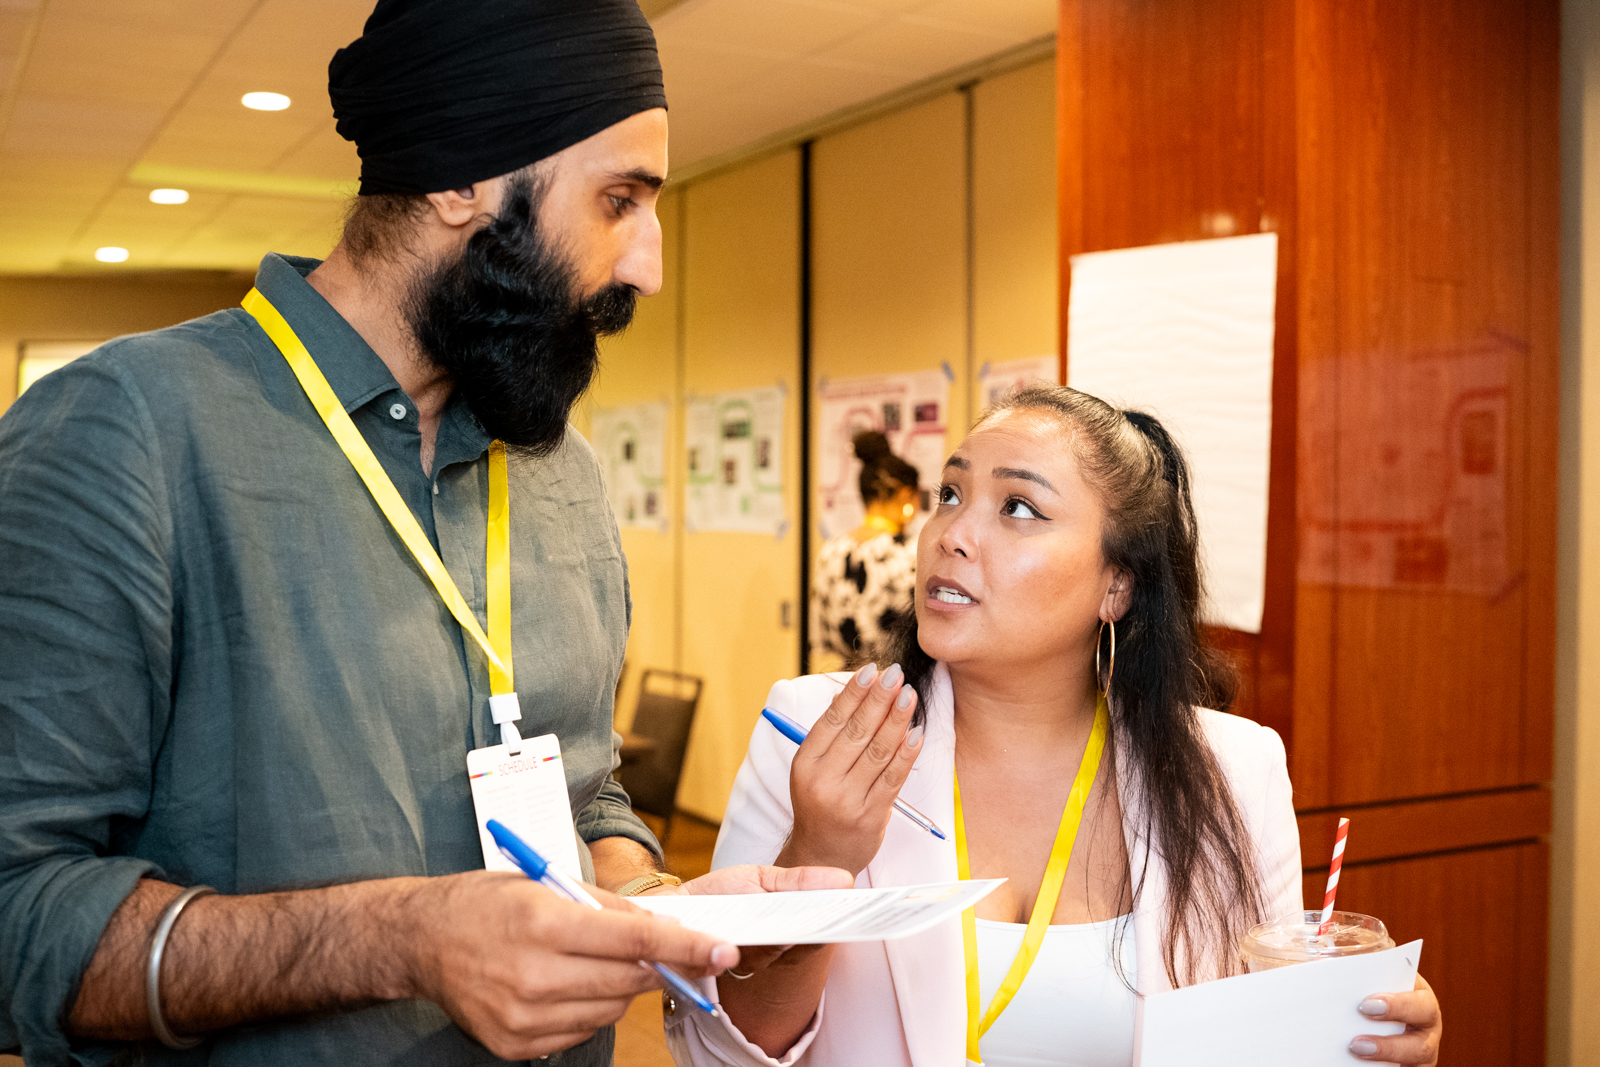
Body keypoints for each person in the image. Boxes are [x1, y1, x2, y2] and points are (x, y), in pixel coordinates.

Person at [0, 2, 847, 1065]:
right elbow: (16, 908)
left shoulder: (562, 475)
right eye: (619, 200)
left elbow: (585, 783)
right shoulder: (126, 432)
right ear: (460, 177)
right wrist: (402, 939)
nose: (647, 266)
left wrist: (644, 890)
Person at [666, 386, 1443, 1067]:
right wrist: (821, 856)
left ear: (1116, 584)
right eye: (949, 494)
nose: (953, 533)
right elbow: (723, 1047)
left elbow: (1269, 1031)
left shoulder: (1234, 771)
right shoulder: (813, 730)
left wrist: (1366, 1030)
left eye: (1018, 508)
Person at [813, 430, 920, 661]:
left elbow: (820, 636)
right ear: (905, 495)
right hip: (899, 684)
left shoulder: (830, 550)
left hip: (844, 680)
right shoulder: (911, 554)